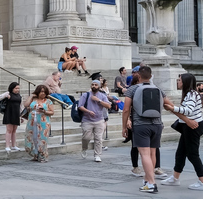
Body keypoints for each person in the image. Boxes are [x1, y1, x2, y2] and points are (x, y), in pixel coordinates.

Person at [123, 65, 170, 193]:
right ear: (150, 76)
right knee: (152, 153)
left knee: (144, 154)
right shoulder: (158, 89)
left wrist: (124, 126)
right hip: (157, 124)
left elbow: (126, 109)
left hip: (141, 125)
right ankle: (147, 179)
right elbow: (169, 104)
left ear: (138, 75)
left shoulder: (132, 89)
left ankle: (151, 184)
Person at [161, 73, 203, 189]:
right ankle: (175, 178)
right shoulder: (190, 93)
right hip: (189, 126)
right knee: (180, 153)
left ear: (185, 82)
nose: (177, 82)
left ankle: (202, 180)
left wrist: (172, 108)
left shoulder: (191, 94)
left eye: (179, 80)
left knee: (192, 154)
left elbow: (188, 111)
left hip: (193, 127)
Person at [79, 79, 112, 162]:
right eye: (92, 84)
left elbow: (108, 106)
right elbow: (80, 106)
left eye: (95, 85)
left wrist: (98, 100)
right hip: (87, 120)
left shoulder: (102, 96)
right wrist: (88, 111)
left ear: (99, 86)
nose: (94, 86)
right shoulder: (85, 95)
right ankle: (84, 148)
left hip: (99, 120)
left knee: (98, 138)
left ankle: (97, 155)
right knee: (86, 137)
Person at [24, 84, 54, 162]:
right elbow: (26, 105)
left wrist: (44, 111)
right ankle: (35, 155)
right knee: (32, 137)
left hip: (43, 121)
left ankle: (43, 156)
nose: (43, 93)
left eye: (44, 92)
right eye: (41, 91)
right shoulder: (33, 100)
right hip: (32, 121)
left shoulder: (48, 101)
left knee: (42, 138)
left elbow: (52, 112)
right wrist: (31, 96)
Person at [0, 82, 22, 153]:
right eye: (16, 88)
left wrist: (22, 115)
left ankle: (14, 145)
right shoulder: (8, 93)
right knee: (9, 130)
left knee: (14, 130)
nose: (17, 90)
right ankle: (7, 145)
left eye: (18, 88)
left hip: (16, 114)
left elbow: (20, 106)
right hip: (9, 113)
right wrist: (5, 96)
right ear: (12, 88)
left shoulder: (19, 95)